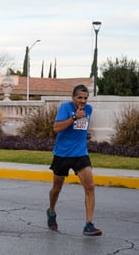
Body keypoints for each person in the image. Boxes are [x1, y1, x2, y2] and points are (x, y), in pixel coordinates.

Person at [47, 84, 102, 236]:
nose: (83, 101)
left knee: (90, 187)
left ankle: (89, 224)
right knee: (56, 188)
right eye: (79, 97)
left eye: (85, 98)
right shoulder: (65, 108)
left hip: (80, 154)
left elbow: (81, 129)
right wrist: (73, 117)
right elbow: (56, 128)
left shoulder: (89, 110)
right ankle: (51, 211)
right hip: (62, 154)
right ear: (73, 98)